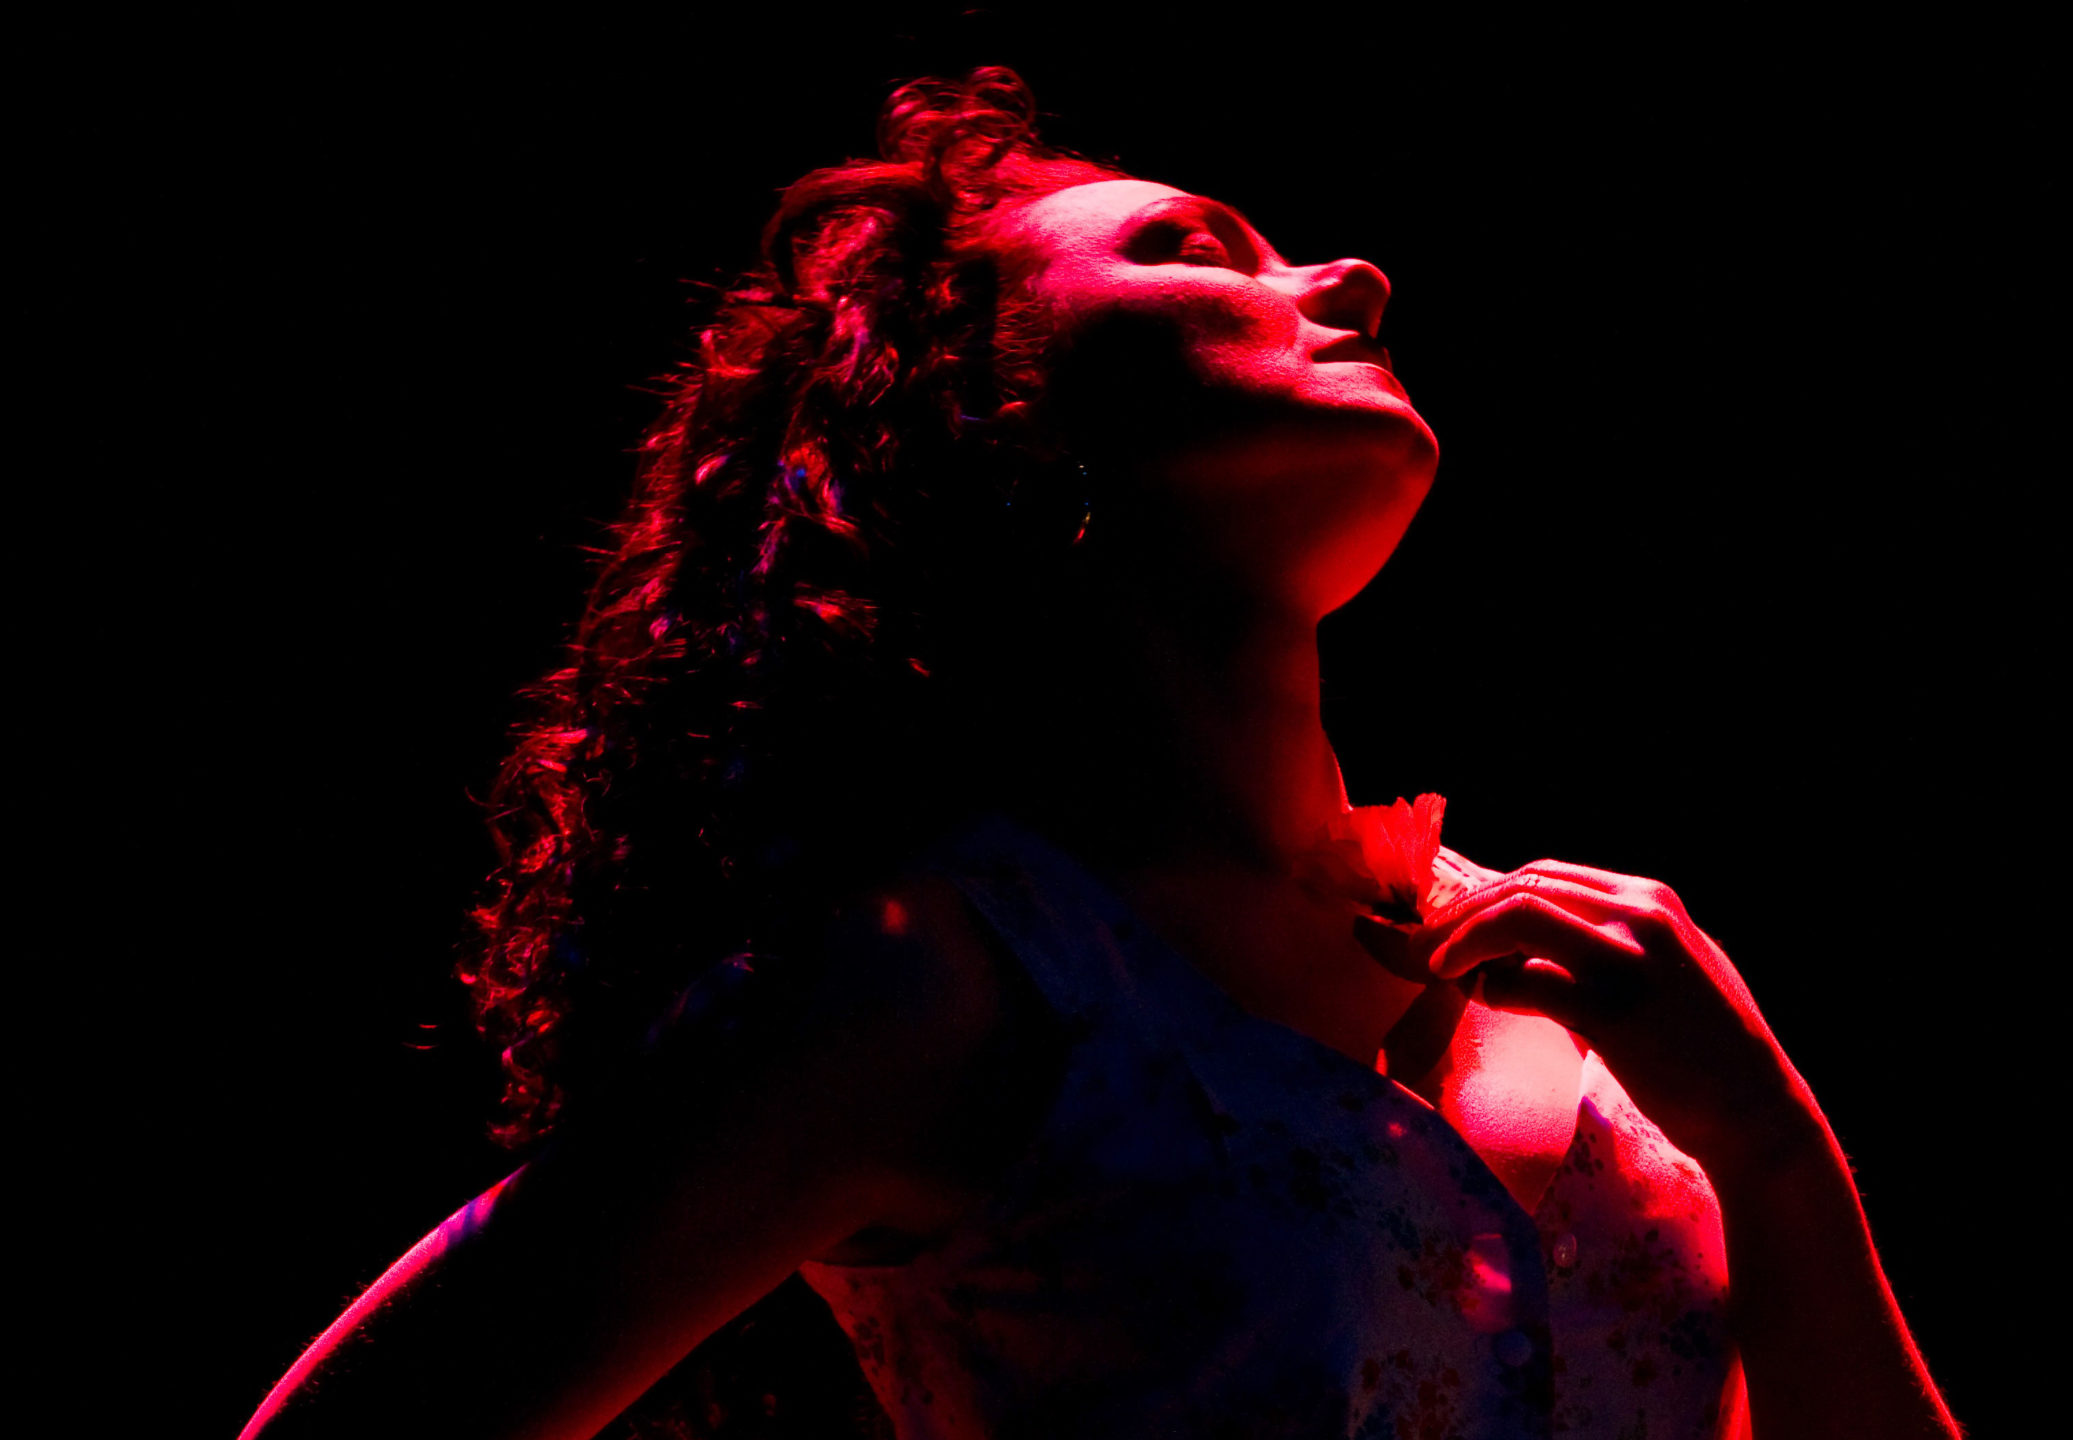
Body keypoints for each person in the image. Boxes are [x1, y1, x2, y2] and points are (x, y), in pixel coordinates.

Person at [243, 68, 1961, 1439]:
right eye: (1194, 252)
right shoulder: (948, 988)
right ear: (964, 409)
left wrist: (1774, 1148)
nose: (1347, 274)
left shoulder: (1573, 979)